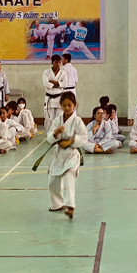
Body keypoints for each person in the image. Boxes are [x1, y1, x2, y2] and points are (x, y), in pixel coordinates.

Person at [45, 92, 88, 220]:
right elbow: (49, 139)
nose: (67, 108)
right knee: (53, 181)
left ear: (75, 105)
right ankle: (57, 204)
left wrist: (70, 141)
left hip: (71, 154)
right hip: (59, 154)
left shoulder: (77, 121)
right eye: (64, 105)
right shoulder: (57, 121)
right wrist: (56, 133)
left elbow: (84, 137)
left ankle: (70, 207)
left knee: (69, 179)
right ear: (61, 106)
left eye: (69, 105)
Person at [41, 54, 65, 129]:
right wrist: (59, 84)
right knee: (49, 119)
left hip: (59, 98)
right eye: (56, 62)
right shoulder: (46, 72)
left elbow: (65, 84)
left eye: (59, 62)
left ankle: (58, 134)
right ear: (52, 62)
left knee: (59, 118)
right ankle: (49, 134)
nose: (58, 64)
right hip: (49, 98)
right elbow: (46, 83)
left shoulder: (63, 73)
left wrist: (53, 82)